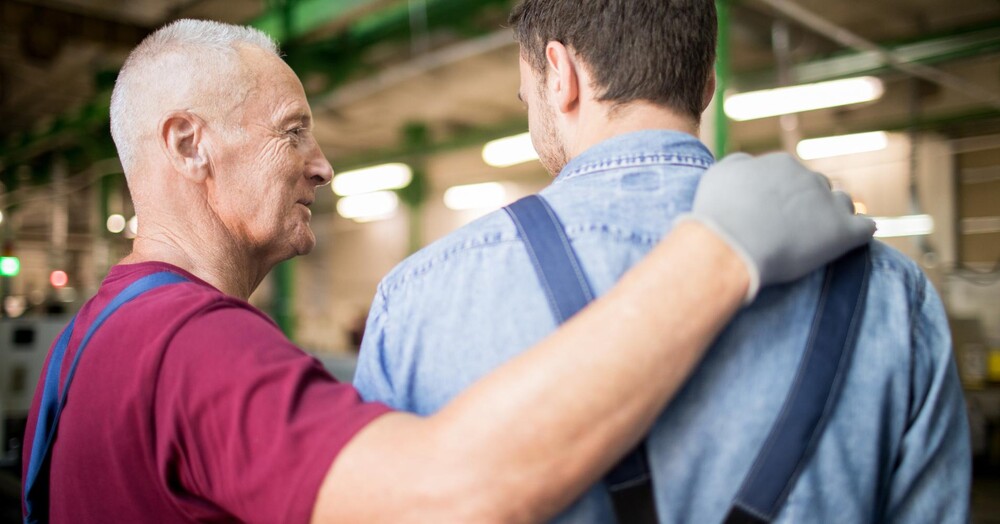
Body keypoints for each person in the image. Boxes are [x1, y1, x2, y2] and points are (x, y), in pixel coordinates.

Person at [21, 19, 871, 524]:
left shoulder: (89, 340)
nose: (322, 166)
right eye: (291, 132)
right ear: (188, 143)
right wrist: (716, 254)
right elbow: (448, 490)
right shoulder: (192, 350)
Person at [354, 0, 972, 522]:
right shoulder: (894, 293)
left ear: (559, 74)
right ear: (707, 83)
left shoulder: (420, 294)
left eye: (526, 95)